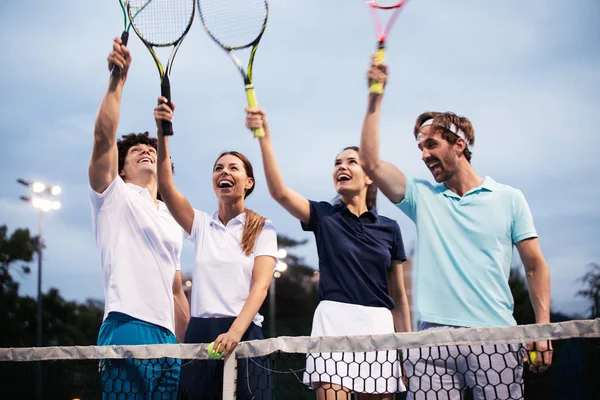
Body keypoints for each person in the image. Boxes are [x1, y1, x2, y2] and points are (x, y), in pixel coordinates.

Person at [359, 57, 553, 399]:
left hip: (496, 338)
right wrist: (375, 97)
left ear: (459, 145)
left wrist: (543, 328)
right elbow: (371, 163)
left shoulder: (509, 198)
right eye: (419, 147)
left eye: (431, 144)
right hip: (431, 341)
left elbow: (535, 266)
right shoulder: (421, 196)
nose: (423, 154)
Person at [245, 108, 411, 399]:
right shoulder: (323, 216)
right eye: (337, 163)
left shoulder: (390, 228)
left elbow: (398, 296)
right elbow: (280, 192)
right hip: (333, 323)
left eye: (351, 161)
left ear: (370, 175)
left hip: (380, 329)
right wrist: (264, 138)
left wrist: (408, 351)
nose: (341, 167)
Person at [154, 98, 278, 400]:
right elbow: (166, 186)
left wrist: (235, 332)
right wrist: (163, 132)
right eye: (218, 168)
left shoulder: (263, 227)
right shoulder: (199, 224)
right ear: (213, 181)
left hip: (244, 333)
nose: (225, 171)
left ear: (248, 182)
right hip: (201, 334)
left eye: (234, 168)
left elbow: (260, 288)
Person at [89, 38, 190, 398]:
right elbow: (103, 138)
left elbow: (176, 289)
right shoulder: (112, 195)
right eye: (136, 151)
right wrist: (118, 81)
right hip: (127, 324)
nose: (146, 151)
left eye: (152, 149)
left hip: (167, 339)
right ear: (122, 167)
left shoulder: (168, 215)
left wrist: (185, 345)